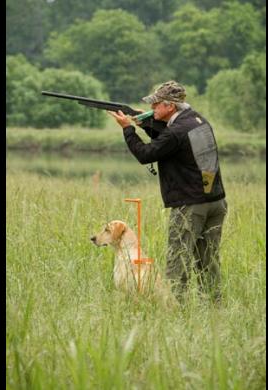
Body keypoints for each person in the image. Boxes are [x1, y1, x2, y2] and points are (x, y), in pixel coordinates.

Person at [107, 81, 227, 303]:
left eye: (156, 105)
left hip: (191, 205)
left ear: (170, 106)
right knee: (207, 260)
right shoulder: (197, 120)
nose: (152, 109)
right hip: (216, 203)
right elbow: (171, 139)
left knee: (177, 260)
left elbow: (146, 154)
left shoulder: (175, 132)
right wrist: (146, 122)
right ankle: (213, 308)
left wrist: (128, 129)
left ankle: (174, 309)